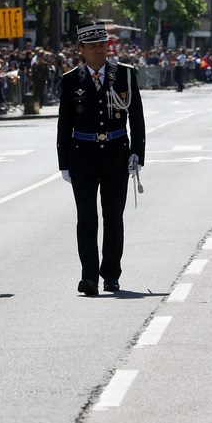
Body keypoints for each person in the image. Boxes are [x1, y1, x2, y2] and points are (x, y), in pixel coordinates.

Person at [57, 22, 146, 296]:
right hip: (82, 154)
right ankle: (89, 277)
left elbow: (137, 118)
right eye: (92, 47)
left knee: (113, 217)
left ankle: (110, 274)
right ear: (82, 50)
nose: (99, 51)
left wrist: (137, 154)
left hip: (116, 154)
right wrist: (64, 162)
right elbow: (64, 123)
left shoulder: (125, 75)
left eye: (102, 46)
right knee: (86, 218)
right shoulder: (72, 79)